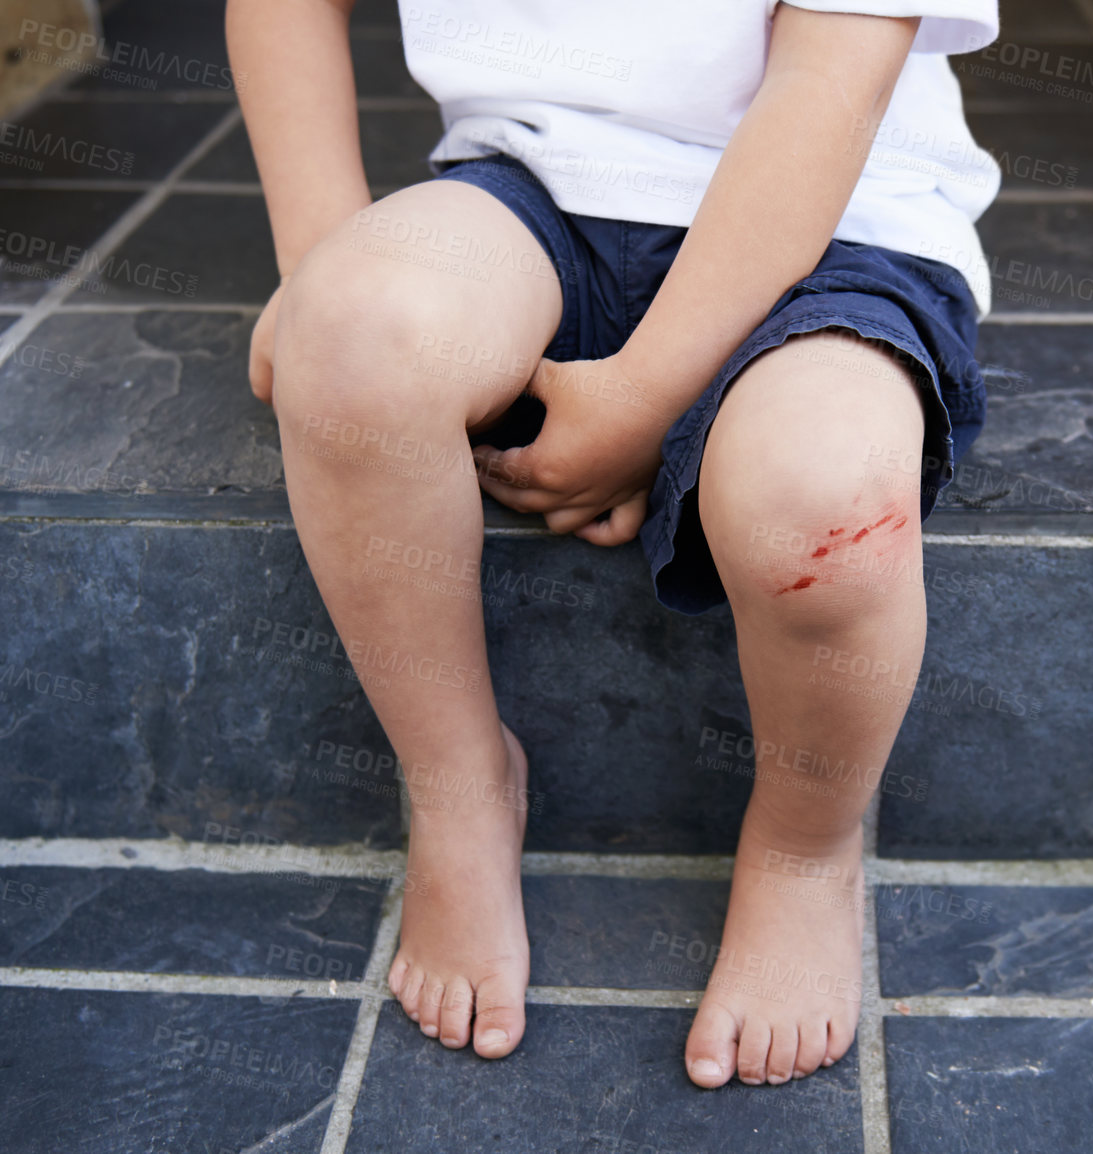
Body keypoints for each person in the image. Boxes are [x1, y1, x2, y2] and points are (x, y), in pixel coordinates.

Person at [227, 0, 998, 1088]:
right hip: (535, 193)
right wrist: (316, 264)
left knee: (824, 500)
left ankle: (802, 846)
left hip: (837, 222)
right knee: (352, 338)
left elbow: (831, 82)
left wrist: (642, 397)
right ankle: (457, 784)